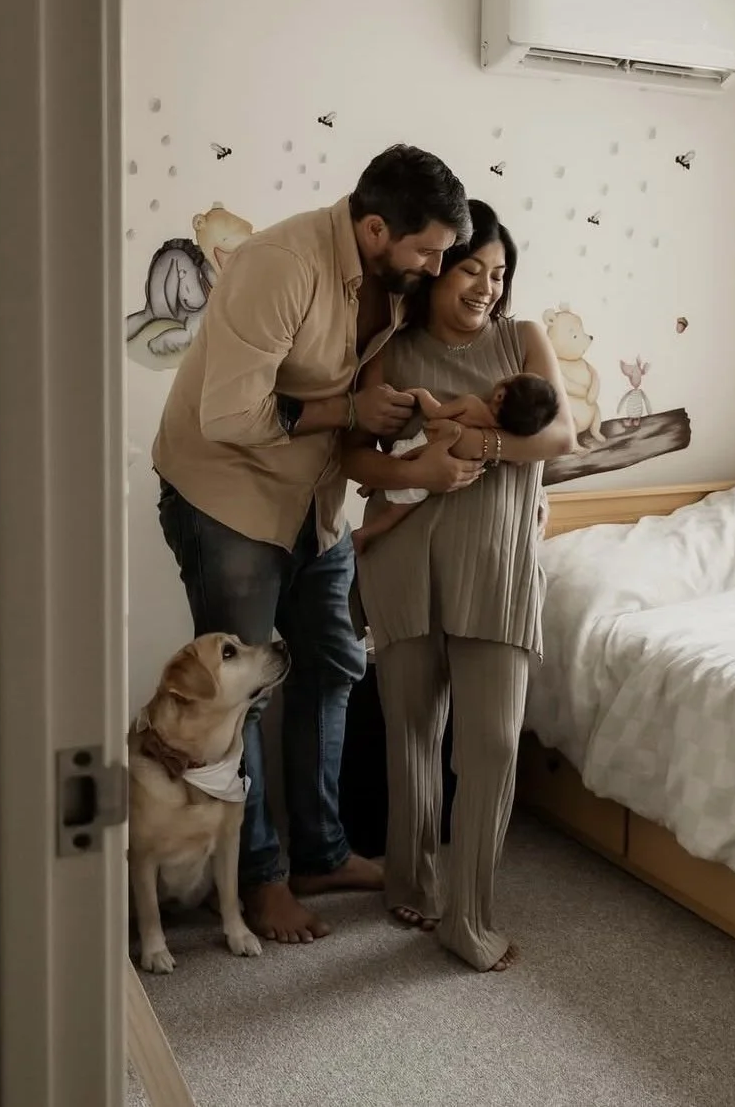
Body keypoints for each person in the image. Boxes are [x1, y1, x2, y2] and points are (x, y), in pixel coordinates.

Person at [152, 144, 486, 945]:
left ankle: (322, 851)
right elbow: (228, 418)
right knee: (244, 691)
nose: (443, 265)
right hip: (227, 495)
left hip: (315, 502)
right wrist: (347, 414)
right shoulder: (280, 265)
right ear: (374, 227)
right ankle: (260, 878)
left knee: (333, 663)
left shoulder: (397, 285)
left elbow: (374, 390)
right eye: (430, 250)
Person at [344, 200, 576, 971]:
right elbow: (356, 458)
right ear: (440, 268)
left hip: (497, 568)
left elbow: (559, 436)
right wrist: (420, 469)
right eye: (473, 268)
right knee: (412, 735)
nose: (486, 286)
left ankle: (469, 915)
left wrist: (477, 440)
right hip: (404, 564)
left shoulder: (523, 339)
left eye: (499, 273)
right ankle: (411, 878)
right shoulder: (393, 347)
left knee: (493, 745)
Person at [350, 374, 560, 554]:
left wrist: (421, 393)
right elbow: (520, 460)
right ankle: (364, 534)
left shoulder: (472, 404)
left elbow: (436, 413)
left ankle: (371, 484)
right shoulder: (504, 438)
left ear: (499, 395)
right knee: (397, 512)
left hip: (423, 445)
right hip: (434, 476)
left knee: (398, 462)